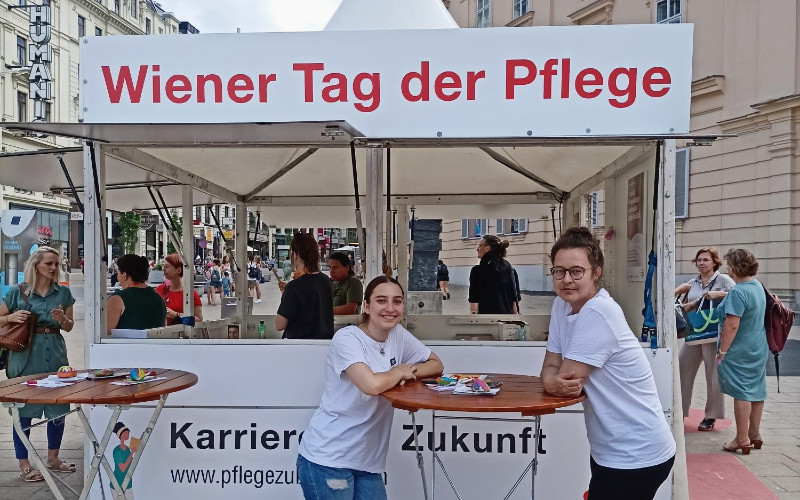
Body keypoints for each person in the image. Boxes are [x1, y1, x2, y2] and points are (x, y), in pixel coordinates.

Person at [540, 227, 675, 499]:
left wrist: (552, 379)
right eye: (559, 271)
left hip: (636, 453)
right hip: (610, 450)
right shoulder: (561, 306)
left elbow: (566, 379)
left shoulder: (599, 312)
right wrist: (549, 379)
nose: (566, 279)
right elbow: (549, 368)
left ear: (596, 273)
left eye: (576, 271)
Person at [297, 276, 444, 500]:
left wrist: (408, 370)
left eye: (397, 301)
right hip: (329, 459)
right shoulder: (347, 339)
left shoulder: (398, 335)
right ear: (366, 306)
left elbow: (436, 365)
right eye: (381, 301)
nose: (390, 308)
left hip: (368, 464)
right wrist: (398, 372)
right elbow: (371, 385)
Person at [0, 246, 77, 482]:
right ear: (36, 265)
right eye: (49, 264)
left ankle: (53, 457)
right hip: (25, 354)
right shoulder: (17, 292)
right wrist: (11, 317)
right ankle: (24, 463)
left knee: (58, 407)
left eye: (56, 264)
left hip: (54, 351)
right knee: (22, 411)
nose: (54, 268)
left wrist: (63, 319)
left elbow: (70, 326)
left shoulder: (63, 294)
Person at [674, 247, 735, 431]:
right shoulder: (692, 283)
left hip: (713, 333)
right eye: (699, 260)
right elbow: (685, 307)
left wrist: (719, 294)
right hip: (695, 331)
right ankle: (679, 411)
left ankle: (711, 416)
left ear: (714, 262)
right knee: (682, 368)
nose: (701, 263)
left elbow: (739, 294)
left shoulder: (723, 280)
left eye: (706, 260)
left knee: (713, 375)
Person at [716, 248, 768, 455]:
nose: (727, 268)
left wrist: (723, 351)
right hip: (758, 345)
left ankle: (741, 438)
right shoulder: (757, 287)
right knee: (756, 389)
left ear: (735, 268)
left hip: (740, 348)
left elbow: (732, 325)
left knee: (742, 391)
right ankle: (755, 434)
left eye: (728, 264)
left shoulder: (738, 291)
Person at [275, 233, 334, 339]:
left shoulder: (294, 287)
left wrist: (287, 296)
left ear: (295, 255)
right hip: (324, 345)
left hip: (299, 347)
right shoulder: (326, 281)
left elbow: (279, 325)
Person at [106, 254, 166, 334]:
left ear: (125, 275)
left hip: (127, 345)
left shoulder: (117, 298)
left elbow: (105, 333)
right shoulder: (158, 297)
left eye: (118, 273)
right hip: (157, 345)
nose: (117, 277)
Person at [468, 235, 518, 314]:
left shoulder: (477, 271)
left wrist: (474, 321)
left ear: (487, 248)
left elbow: (474, 303)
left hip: (486, 320)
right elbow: (514, 302)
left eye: (480, 246)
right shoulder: (510, 269)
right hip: (506, 320)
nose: (477, 249)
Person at [156, 254, 203, 325]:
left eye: (167, 266)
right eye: (163, 266)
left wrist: (176, 315)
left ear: (178, 270)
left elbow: (199, 319)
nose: (163, 269)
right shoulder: (160, 289)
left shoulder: (190, 293)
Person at [110, 422, 137, 497]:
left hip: (128, 482)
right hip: (117, 483)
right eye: (125, 433)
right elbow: (122, 468)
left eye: (128, 433)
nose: (127, 435)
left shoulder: (128, 449)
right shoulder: (117, 451)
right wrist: (132, 454)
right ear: (120, 435)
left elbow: (130, 464)